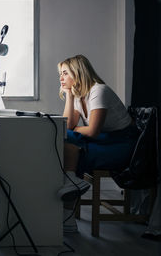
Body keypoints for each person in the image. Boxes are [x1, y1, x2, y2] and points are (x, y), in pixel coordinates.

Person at [57, 55, 139, 232]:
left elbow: (92, 131)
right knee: (66, 140)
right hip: (105, 140)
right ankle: (71, 187)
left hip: (124, 145)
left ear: (77, 73)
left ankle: (68, 218)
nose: (61, 78)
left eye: (65, 73)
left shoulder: (98, 91)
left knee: (73, 150)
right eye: (60, 74)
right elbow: (68, 127)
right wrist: (70, 96)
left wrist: (76, 131)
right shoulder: (79, 95)